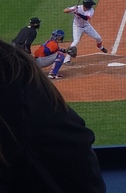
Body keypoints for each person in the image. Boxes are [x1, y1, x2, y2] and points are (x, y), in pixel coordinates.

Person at [0, 39, 105, 190]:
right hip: (39, 62)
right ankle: (54, 74)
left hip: (36, 59)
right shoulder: (40, 108)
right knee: (60, 57)